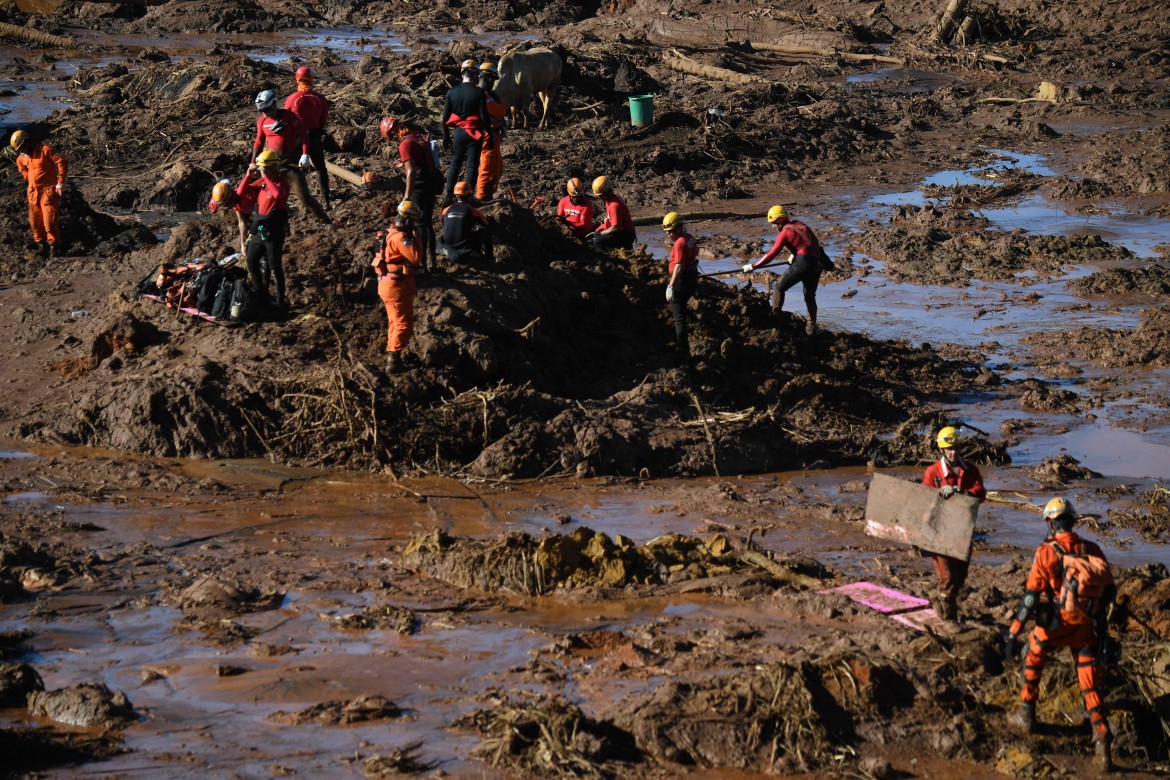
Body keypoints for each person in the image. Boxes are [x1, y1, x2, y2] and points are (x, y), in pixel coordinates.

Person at [1003, 496, 1115, 771]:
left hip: (1055, 627)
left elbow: (1031, 598)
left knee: (1033, 656)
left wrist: (1014, 631)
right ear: (1073, 521)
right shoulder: (1092, 549)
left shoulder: (1046, 552)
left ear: (1051, 524)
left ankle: (1026, 716)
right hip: (1085, 629)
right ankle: (1102, 741)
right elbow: (1110, 591)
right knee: (1090, 685)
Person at [921, 426, 986, 621]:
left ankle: (942, 602)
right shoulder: (933, 473)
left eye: (956, 447)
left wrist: (961, 492)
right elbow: (924, 501)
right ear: (942, 449)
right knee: (948, 577)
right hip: (940, 533)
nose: (953, 452)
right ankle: (947, 618)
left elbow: (981, 494)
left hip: (963, 531)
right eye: (949, 448)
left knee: (959, 577)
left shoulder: (970, 470)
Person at [741, 205, 825, 335]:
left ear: (780, 220)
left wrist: (753, 266)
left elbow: (771, 254)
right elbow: (812, 242)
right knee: (809, 296)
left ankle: (775, 319)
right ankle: (811, 328)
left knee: (779, 288)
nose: (773, 226)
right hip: (817, 263)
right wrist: (795, 254)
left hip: (802, 264)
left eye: (774, 222)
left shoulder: (785, 232)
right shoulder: (800, 224)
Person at [251, 89, 330, 224]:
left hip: (291, 164)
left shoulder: (290, 117)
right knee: (269, 199)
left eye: (268, 109)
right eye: (262, 110)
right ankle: (280, 229)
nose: (266, 113)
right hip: (271, 166)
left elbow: (304, 136)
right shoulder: (262, 121)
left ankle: (326, 221)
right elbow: (259, 141)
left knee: (304, 198)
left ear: (275, 104)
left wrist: (305, 154)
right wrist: (252, 162)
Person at [380, 116, 440, 272]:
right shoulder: (416, 137)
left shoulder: (405, 144)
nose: (394, 140)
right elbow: (419, 160)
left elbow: (412, 171)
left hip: (418, 186)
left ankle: (422, 263)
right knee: (427, 223)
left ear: (393, 131)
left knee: (419, 224)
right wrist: (403, 163)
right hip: (431, 182)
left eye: (392, 136)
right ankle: (432, 262)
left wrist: (407, 195)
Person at [374, 200, 425, 372]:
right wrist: (416, 237)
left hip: (386, 284)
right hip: (396, 287)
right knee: (403, 324)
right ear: (408, 220)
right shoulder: (400, 238)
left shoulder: (387, 234)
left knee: (394, 323)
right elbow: (416, 257)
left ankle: (392, 352)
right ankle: (393, 358)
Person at [239, 150, 291, 308]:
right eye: (262, 168)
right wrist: (248, 175)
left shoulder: (282, 183)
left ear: (273, 167)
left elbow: (277, 195)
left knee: (275, 266)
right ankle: (261, 294)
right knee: (251, 261)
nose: (263, 171)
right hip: (259, 229)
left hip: (274, 231)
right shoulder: (261, 183)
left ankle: (280, 300)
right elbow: (240, 192)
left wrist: (266, 177)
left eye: (265, 168)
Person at [11, 129, 68, 259]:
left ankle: (55, 249)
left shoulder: (45, 151)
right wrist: (28, 177)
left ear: (27, 142)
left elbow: (62, 161)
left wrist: (60, 183)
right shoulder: (23, 157)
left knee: (50, 221)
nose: (22, 151)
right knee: (35, 223)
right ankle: (41, 247)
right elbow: (21, 166)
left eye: (23, 148)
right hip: (33, 194)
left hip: (47, 192)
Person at [441, 59, 489, 205]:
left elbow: (444, 117)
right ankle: (467, 197)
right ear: (475, 75)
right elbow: (484, 117)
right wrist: (490, 135)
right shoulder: (479, 92)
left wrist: (446, 136)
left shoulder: (452, 92)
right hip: (474, 133)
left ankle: (449, 196)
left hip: (459, 133)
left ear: (462, 74)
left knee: (455, 163)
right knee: (472, 166)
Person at [283, 66, 331, 210]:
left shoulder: (291, 99)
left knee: (296, 170)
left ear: (297, 80)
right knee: (321, 168)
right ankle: (326, 200)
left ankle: (304, 199)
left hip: (298, 138)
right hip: (315, 136)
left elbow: (286, 120)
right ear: (311, 79)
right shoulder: (321, 99)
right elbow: (323, 122)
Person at [662, 212, 698, 362]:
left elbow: (678, 267)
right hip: (692, 277)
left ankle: (683, 348)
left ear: (677, 228)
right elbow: (696, 252)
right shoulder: (690, 238)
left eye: (670, 231)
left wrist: (671, 285)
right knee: (683, 306)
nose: (669, 234)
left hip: (681, 280)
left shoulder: (679, 243)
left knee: (678, 317)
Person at [439, 182, 492, 264]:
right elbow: (486, 224)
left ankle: (446, 250)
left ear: (455, 196)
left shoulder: (445, 210)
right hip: (464, 246)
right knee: (487, 232)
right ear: (470, 196)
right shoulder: (472, 211)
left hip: (448, 243)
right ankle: (489, 258)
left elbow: (444, 224)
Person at [476, 62, 507, 201]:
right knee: (487, 168)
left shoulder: (487, 95)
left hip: (493, 135)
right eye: (493, 80)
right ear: (487, 78)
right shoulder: (482, 95)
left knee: (497, 168)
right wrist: (498, 102)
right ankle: (482, 196)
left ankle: (488, 194)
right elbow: (500, 110)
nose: (493, 83)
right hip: (487, 136)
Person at [208, 176, 257, 256]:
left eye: (226, 203)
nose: (227, 206)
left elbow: (259, 216)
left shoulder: (245, 196)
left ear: (230, 196)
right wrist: (242, 244)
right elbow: (241, 222)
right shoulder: (236, 204)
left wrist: (252, 234)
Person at [587, 175, 635, 252]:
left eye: (600, 196)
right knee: (592, 238)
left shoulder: (614, 205)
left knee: (597, 242)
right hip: (626, 231)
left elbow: (615, 228)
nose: (600, 198)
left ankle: (606, 260)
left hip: (625, 234)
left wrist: (599, 234)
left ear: (606, 192)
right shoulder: (613, 197)